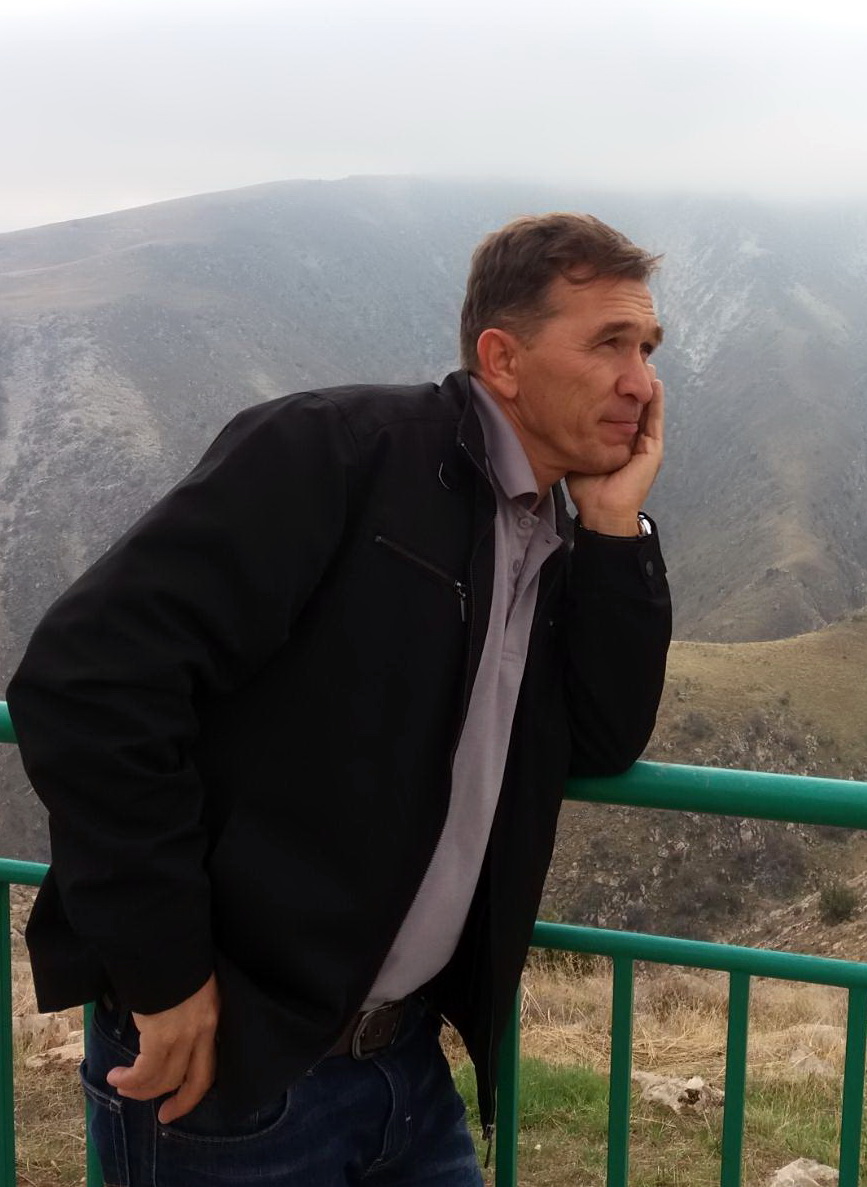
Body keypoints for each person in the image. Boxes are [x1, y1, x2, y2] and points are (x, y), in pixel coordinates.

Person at [7, 212, 672, 1186]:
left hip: (405, 1070)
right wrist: (164, 969)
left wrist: (614, 529)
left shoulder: (543, 534)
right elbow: (86, 679)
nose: (641, 383)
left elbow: (603, 737)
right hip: (232, 1074)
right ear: (502, 359)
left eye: (648, 349)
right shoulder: (336, 453)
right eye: (610, 343)